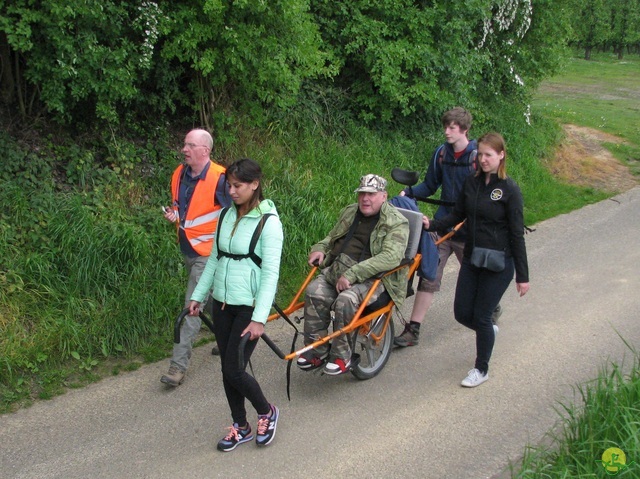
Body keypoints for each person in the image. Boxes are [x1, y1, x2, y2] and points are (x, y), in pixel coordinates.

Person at [188, 158, 283, 451]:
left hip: (248, 306)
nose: (231, 191)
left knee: (234, 368)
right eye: (229, 185)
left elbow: (270, 274)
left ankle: (267, 411)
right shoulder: (225, 216)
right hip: (222, 303)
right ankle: (241, 426)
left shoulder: (270, 223)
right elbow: (215, 260)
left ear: (254, 185)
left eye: (237, 186)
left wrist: (260, 318)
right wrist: (198, 297)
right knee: (227, 369)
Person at [423, 132, 529, 387]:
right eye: (480, 154)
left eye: (488, 155)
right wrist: (432, 224)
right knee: (461, 313)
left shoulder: (509, 189)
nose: (483, 159)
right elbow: (456, 215)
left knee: (482, 315)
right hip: (472, 256)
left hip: (500, 261)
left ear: (501, 155)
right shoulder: (471, 183)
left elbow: (517, 234)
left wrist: (522, 277)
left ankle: (481, 369)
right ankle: (487, 333)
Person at [394, 107, 502, 348]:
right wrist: (408, 192)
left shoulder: (478, 157)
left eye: (452, 127)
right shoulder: (441, 154)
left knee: (476, 279)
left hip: (469, 231)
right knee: (429, 275)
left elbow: (489, 192)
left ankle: (490, 310)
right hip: (442, 226)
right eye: (445, 126)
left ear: (464, 129)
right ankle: (413, 330)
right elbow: (430, 185)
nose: (447, 131)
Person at [297, 174, 410, 375]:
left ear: (384, 196)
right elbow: (332, 237)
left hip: (373, 278)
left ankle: (342, 356)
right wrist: (320, 248)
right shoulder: (350, 212)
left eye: (371, 194)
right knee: (314, 292)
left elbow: (391, 258)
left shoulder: (396, 222)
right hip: (339, 269)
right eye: (362, 194)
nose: (365, 199)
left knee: (345, 301)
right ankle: (317, 351)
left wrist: (353, 274)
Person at [160, 128, 230, 387]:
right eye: (184, 144)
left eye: (190, 145)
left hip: (209, 256)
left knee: (192, 306)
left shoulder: (221, 179)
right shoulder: (179, 174)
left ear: (205, 150)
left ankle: (177, 367)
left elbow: (233, 217)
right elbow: (184, 210)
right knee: (215, 301)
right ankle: (232, 338)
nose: (184, 149)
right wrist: (174, 215)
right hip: (188, 249)